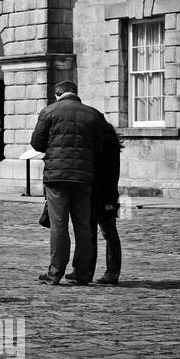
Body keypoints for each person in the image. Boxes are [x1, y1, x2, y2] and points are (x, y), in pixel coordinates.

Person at [29, 80, 105, 287]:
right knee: (82, 225)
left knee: (59, 225)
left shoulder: (49, 112)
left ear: (57, 94)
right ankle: (81, 272)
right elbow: (99, 147)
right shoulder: (92, 114)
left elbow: (36, 143)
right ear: (75, 93)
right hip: (83, 177)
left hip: (57, 177)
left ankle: (55, 272)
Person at [92, 119, 123, 285]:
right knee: (109, 232)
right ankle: (112, 271)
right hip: (109, 195)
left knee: (108, 232)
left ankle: (111, 272)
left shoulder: (105, 147)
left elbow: (106, 176)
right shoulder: (111, 145)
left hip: (103, 195)